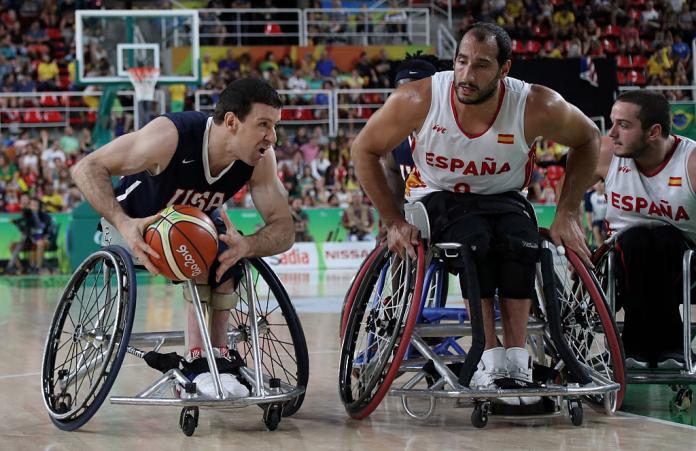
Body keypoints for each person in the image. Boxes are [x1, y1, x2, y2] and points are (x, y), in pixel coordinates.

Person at [351, 23, 599, 404]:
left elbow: (587, 138)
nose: (467, 75)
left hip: (504, 195)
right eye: (462, 62)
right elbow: (363, 149)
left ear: (505, 69)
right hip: (438, 194)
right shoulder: (419, 98)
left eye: (481, 65)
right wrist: (394, 222)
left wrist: (567, 212)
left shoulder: (535, 104)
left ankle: (516, 361)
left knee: (522, 243)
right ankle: (487, 355)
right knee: (475, 243)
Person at [70, 78, 294, 398]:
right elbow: (85, 168)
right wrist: (123, 222)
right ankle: (195, 359)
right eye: (263, 125)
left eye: (275, 126)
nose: (272, 137)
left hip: (189, 229)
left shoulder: (259, 160)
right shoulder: (170, 136)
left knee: (228, 249)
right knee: (198, 247)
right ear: (231, 121)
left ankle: (218, 354)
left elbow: (284, 227)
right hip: (131, 226)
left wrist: (249, 245)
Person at [595, 90, 696, 369]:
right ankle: (668, 347)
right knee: (637, 238)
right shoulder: (605, 152)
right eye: (613, 122)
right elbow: (566, 186)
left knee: (663, 236)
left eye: (623, 125)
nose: (612, 132)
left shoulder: (691, 162)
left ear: (653, 132)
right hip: (620, 264)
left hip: (685, 268)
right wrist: (569, 223)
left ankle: (638, 347)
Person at [585, 178, 608, 248]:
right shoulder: (590, 195)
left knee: (605, 232)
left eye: (601, 182)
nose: (598, 185)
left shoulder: (609, 194)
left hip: (607, 220)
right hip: (597, 220)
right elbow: (588, 212)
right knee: (596, 229)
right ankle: (600, 249)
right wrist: (589, 226)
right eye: (596, 183)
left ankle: (606, 248)